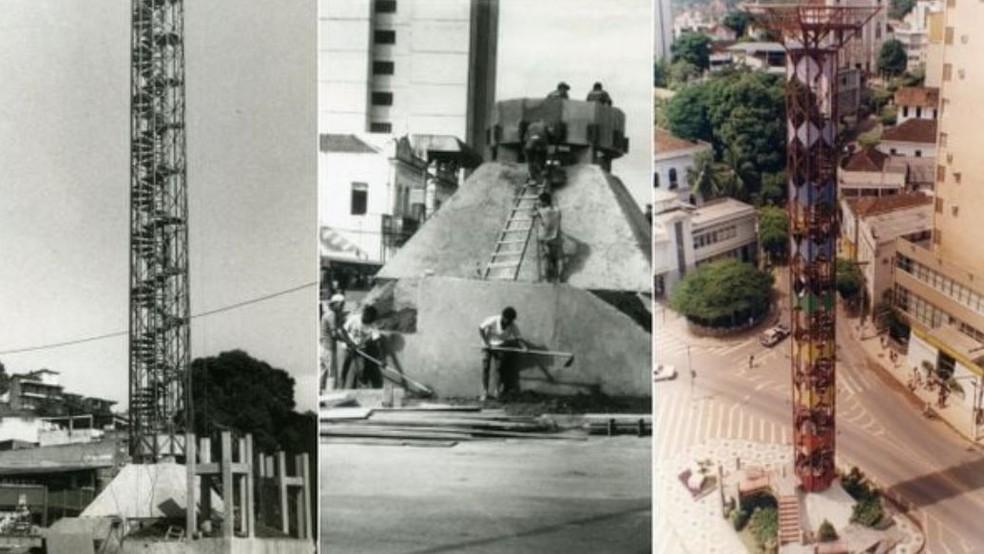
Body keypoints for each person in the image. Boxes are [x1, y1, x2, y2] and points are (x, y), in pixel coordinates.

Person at [479, 307, 528, 400]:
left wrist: (524, 347)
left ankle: (497, 391)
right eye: (508, 320)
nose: (510, 322)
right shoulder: (493, 320)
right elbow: (480, 328)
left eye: (511, 321)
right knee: (486, 368)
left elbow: (518, 338)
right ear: (504, 317)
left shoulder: (512, 325)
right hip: (487, 345)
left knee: (499, 369)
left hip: (500, 346)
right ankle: (485, 392)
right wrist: (486, 342)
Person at [340, 305, 383, 389]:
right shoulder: (354, 319)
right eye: (366, 318)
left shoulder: (372, 325)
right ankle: (341, 387)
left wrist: (381, 358)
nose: (367, 321)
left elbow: (377, 341)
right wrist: (349, 342)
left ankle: (360, 388)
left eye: (369, 320)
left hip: (361, 350)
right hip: (347, 348)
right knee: (344, 369)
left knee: (361, 370)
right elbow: (343, 330)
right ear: (364, 314)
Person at [532, 192, 562, 282]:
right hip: (555, 237)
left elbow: (531, 214)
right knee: (557, 258)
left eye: (540, 201)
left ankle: (547, 279)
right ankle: (558, 278)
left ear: (544, 202)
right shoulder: (557, 210)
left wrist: (535, 207)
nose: (539, 202)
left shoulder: (541, 211)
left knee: (546, 258)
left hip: (544, 238)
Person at [320, 293, 346, 391]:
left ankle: (320, 392)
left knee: (323, 372)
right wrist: (345, 341)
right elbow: (334, 334)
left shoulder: (328, 314)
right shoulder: (332, 315)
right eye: (341, 304)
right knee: (331, 373)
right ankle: (330, 393)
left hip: (323, 347)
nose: (342, 307)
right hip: (328, 347)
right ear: (336, 304)